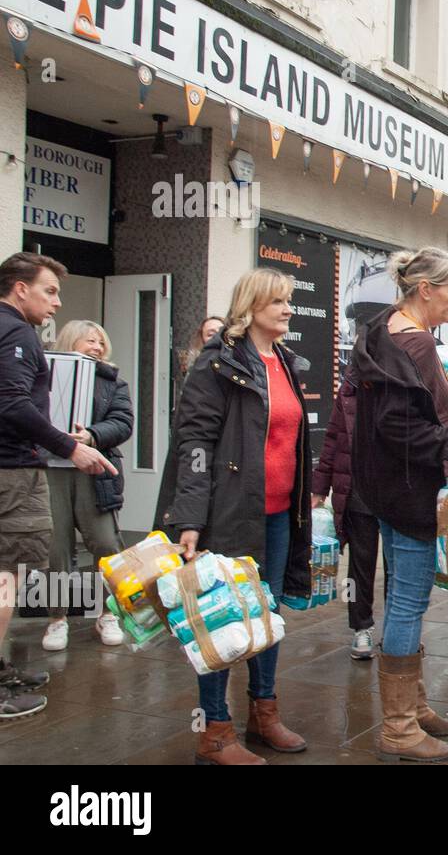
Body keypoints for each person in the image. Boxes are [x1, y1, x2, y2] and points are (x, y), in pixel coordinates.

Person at [155, 268, 312, 765]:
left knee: (267, 616)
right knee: (221, 621)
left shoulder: (284, 361)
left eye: (289, 301)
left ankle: (264, 715)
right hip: (229, 513)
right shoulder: (217, 364)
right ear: (251, 305)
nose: (288, 309)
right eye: (278, 302)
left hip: (280, 513)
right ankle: (215, 733)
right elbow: (194, 444)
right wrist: (190, 519)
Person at [350, 246, 448, 763]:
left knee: (401, 603)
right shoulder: (415, 346)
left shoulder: (379, 331)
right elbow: (401, 425)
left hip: (383, 490)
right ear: (425, 290)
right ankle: (398, 727)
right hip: (411, 492)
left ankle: (413, 708)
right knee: (409, 603)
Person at [0, 253, 116, 721]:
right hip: (12, 473)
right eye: (49, 290)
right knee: (5, 579)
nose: (56, 302)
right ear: (20, 288)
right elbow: (12, 404)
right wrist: (70, 447)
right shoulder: (16, 332)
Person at [43, 320, 134, 651]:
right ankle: (56, 619)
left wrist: (92, 436)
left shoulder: (113, 382)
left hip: (94, 472)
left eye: (100, 342)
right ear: (70, 342)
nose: (97, 347)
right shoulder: (44, 374)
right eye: (89, 341)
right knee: (56, 549)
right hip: (51, 470)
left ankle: (107, 614)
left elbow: (123, 423)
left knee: (107, 545)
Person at [311, 363, 387, 660]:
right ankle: (361, 628)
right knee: (360, 564)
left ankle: (398, 628)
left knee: (397, 566)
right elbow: (333, 439)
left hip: (398, 493)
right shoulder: (351, 388)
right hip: (359, 492)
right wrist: (319, 487)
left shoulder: (405, 384)